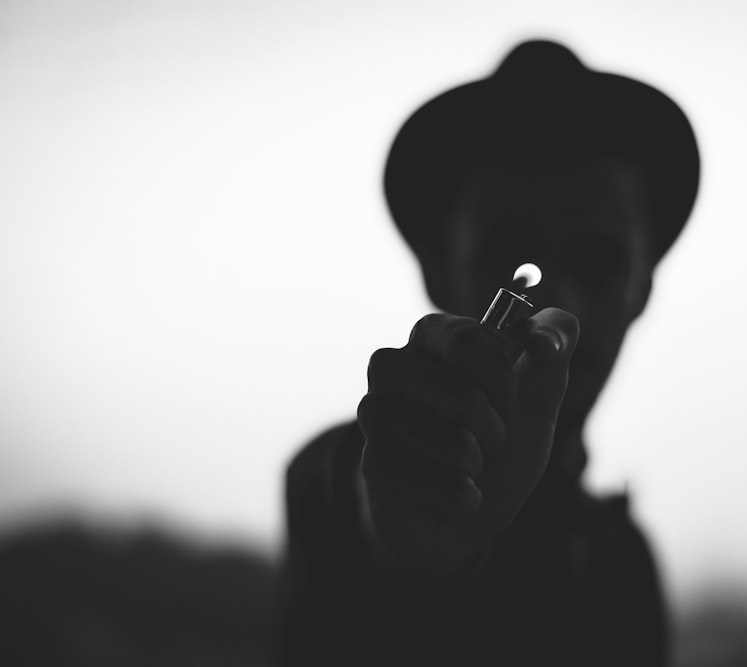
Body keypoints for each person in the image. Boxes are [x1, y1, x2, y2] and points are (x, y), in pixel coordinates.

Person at [279, 39, 700, 666]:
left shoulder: (627, 559)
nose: (557, 301)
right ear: (438, 272)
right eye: (510, 256)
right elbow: (354, 490)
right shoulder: (347, 475)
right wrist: (401, 519)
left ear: (642, 287)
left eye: (599, 259)